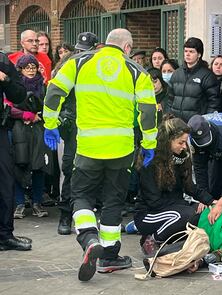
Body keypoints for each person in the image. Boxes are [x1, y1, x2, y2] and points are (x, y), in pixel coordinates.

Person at [42, 28, 158, 281]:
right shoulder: (137, 71)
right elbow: (148, 112)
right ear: (127, 48)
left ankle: (88, 238)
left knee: (81, 195)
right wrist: (149, 142)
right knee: (113, 200)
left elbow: (54, 92)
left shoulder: (79, 62)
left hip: (88, 148)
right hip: (122, 150)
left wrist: (49, 124)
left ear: (106, 43)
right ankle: (108, 256)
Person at [134, 115, 214, 256]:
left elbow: (189, 186)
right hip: (148, 214)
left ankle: (166, 238)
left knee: (200, 213)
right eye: (181, 142)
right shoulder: (150, 161)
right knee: (186, 215)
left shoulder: (180, 158)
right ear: (168, 141)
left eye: (185, 142)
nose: (184, 147)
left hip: (171, 208)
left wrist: (211, 201)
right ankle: (152, 240)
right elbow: (155, 202)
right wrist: (185, 206)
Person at [55, 32, 98, 236]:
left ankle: (87, 213)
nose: (82, 55)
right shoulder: (69, 66)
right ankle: (65, 214)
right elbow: (57, 95)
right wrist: (62, 119)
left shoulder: (100, 70)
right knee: (70, 168)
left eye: (85, 52)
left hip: (95, 126)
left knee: (93, 172)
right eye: (80, 51)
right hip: (74, 127)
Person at [9, 54, 50, 219]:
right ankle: (19, 203)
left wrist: (39, 115)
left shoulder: (43, 84)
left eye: (33, 67)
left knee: (39, 166)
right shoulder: (15, 85)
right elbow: (8, 107)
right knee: (19, 165)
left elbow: (49, 104)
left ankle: (37, 203)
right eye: (27, 67)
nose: (31, 71)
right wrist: (25, 115)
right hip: (19, 129)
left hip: (39, 128)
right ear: (21, 69)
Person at [0, 51, 32, 251]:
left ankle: (4, 235)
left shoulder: (2, 60)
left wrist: (5, 80)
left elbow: (20, 94)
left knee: (5, 181)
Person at [169, 37, 221, 122]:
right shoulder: (177, 73)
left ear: (199, 54)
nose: (187, 54)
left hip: (196, 124)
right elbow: (170, 98)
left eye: (191, 52)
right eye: (186, 51)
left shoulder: (207, 76)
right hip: (177, 123)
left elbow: (214, 102)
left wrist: (206, 121)